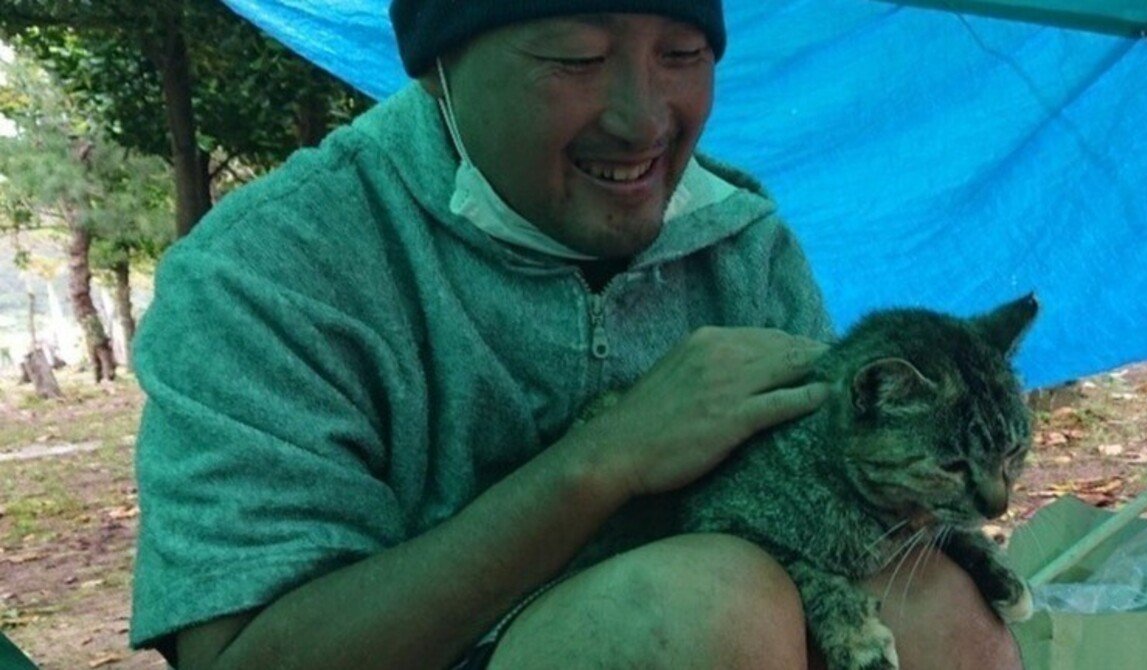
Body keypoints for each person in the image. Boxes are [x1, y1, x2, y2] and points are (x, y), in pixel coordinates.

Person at [127, 1, 1024, 668]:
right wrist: (602, 462)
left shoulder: (741, 242)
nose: (643, 120)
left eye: (682, 54)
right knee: (703, 610)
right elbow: (241, 659)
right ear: (438, 64)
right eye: (576, 59)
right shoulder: (271, 272)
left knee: (940, 607)